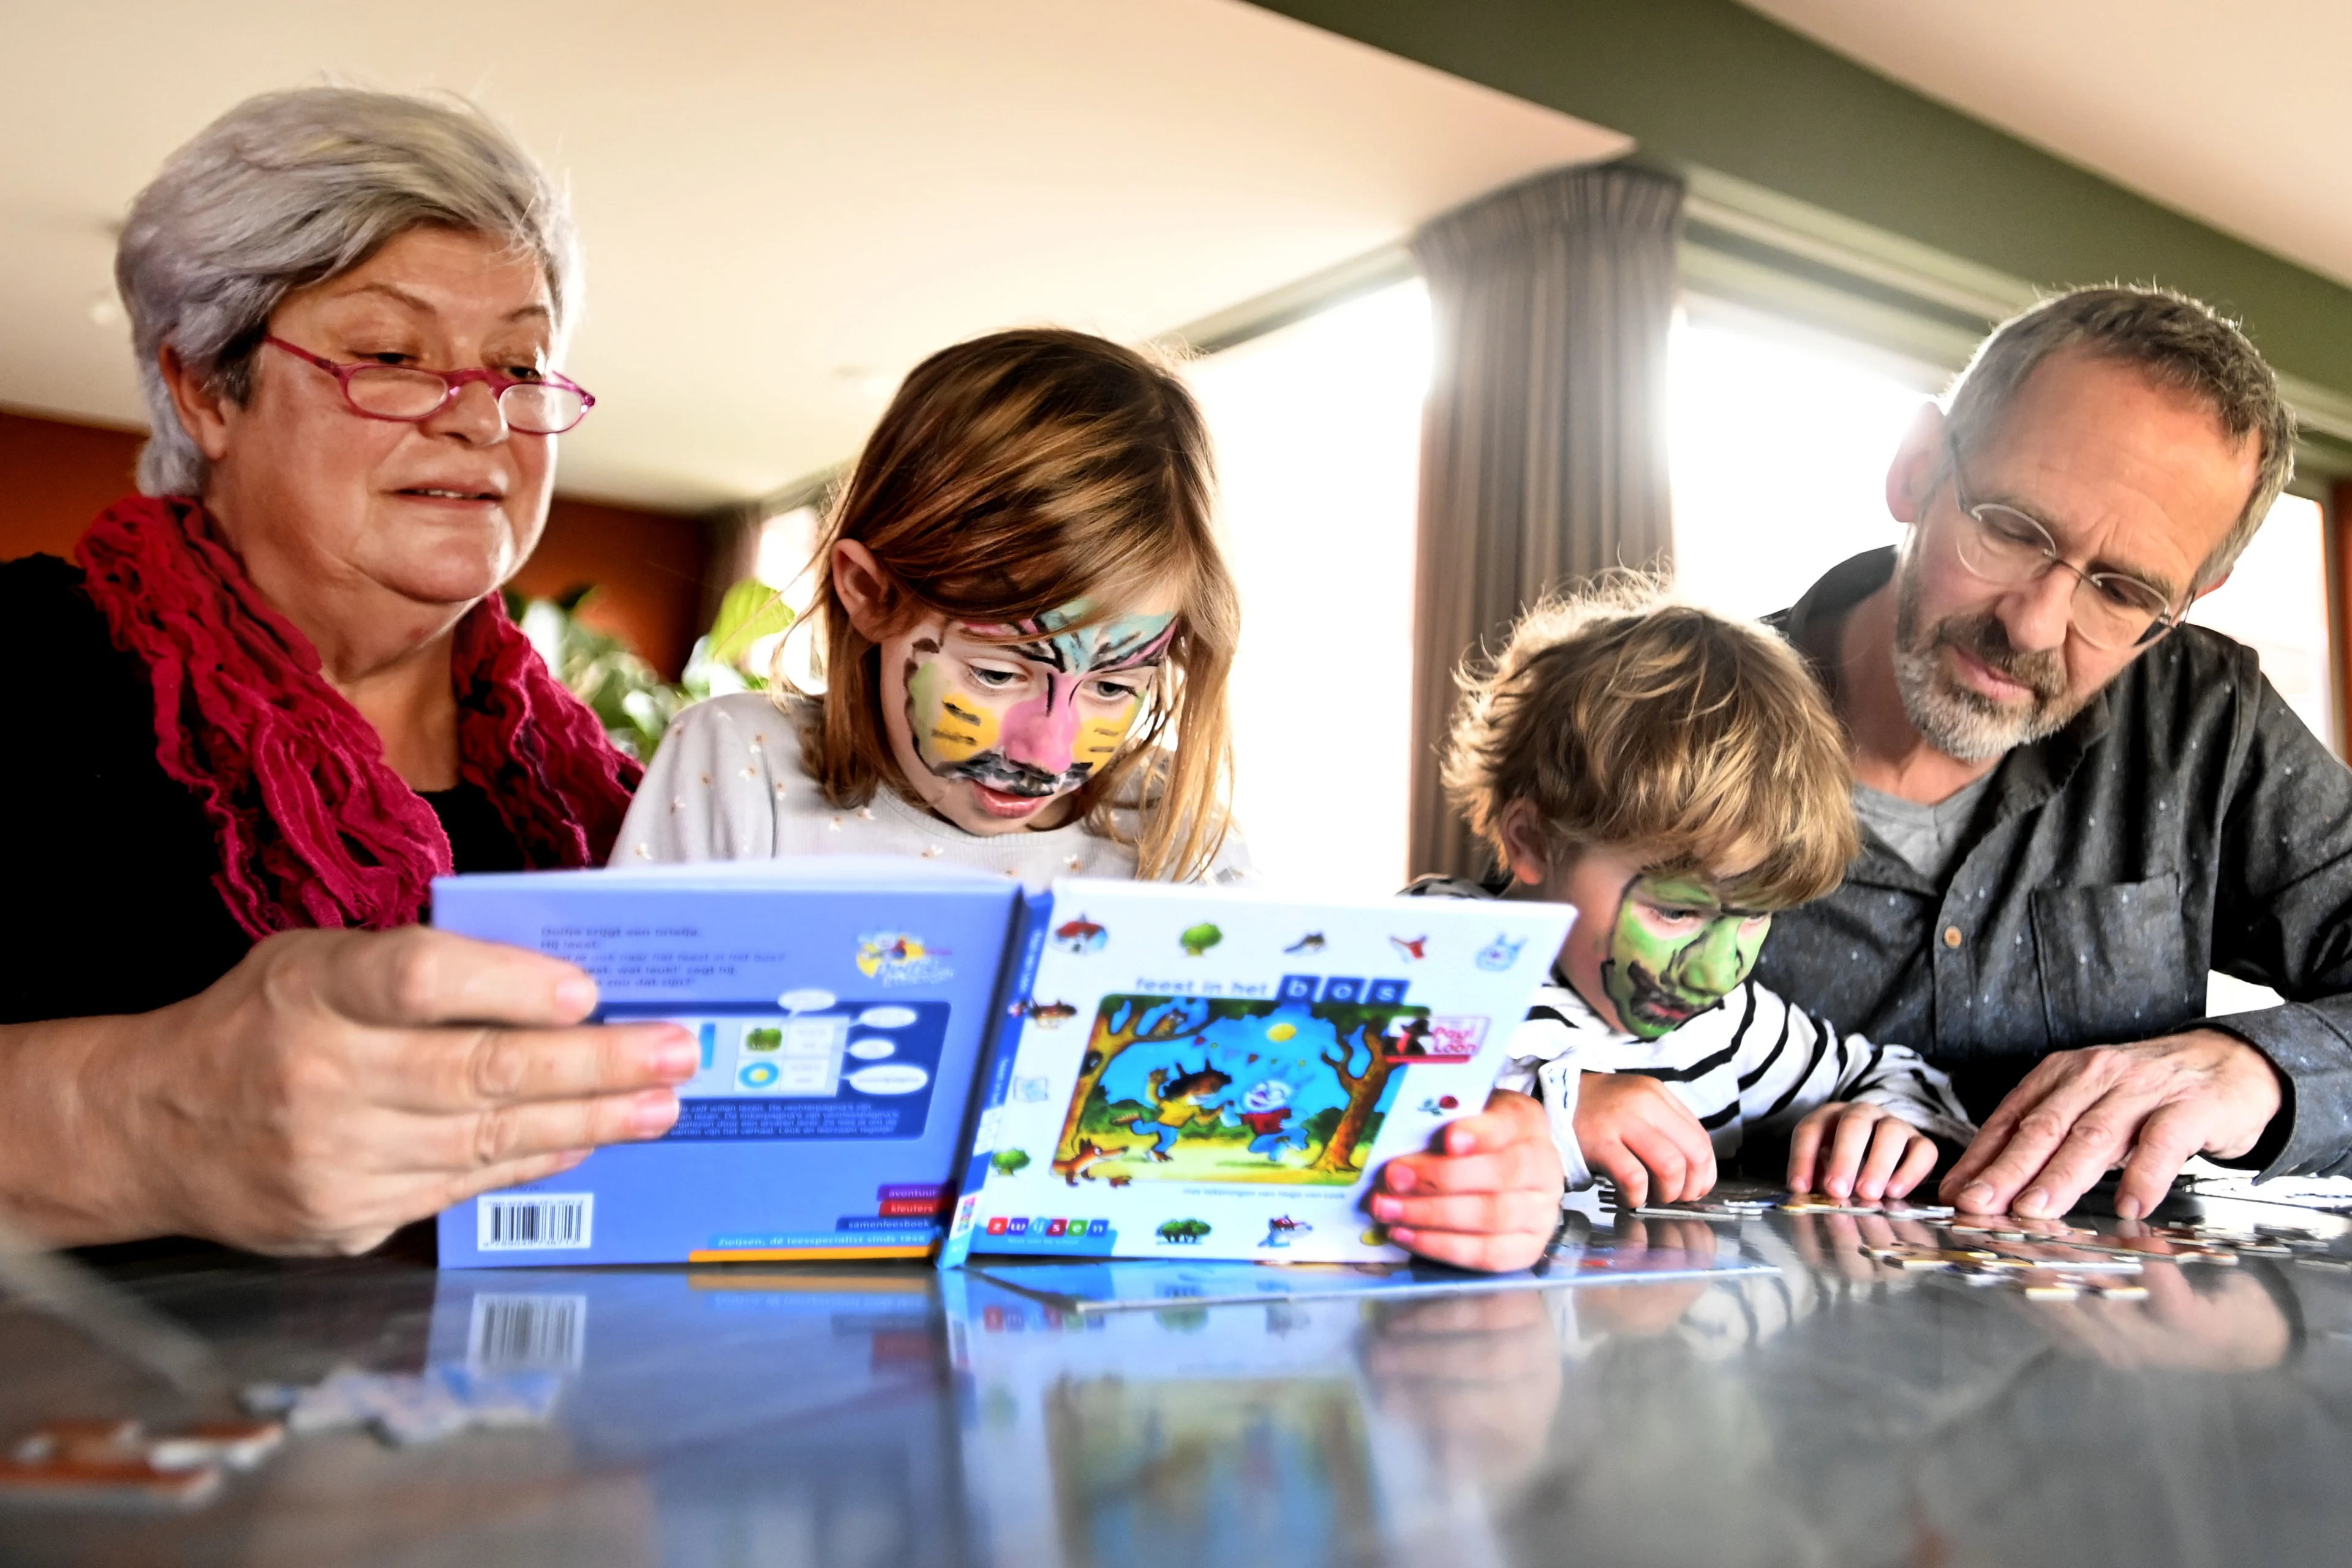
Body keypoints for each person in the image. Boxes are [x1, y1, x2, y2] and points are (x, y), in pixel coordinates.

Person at [0, 88, 696, 1254]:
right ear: (204, 389)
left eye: (518, 366)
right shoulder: (21, 665)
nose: (482, 424)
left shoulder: (631, 808)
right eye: (391, 354)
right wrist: (124, 1118)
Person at [1751, 285, 2348, 1223]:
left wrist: (2261, 1069)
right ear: (1915, 470)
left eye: (2120, 590)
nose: (2032, 625)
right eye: (2013, 528)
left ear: (2191, 598)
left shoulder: (2208, 723)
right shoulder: (1672, 719)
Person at [1400, 587, 1973, 1213]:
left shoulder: (1727, 1024)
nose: (1717, 971)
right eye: (1675, 911)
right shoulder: (1432, 954)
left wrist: (1879, 1123)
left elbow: (1900, 1078)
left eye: (1752, 913)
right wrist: (1553, 1118)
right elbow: (1318, 1115)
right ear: (1532, 840)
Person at [619, 328, 1250, 884]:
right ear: (870, 593)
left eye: (1111, 687)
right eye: (997, 674)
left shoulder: (1177, 838)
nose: (1047, 753)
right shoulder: (741, 761)